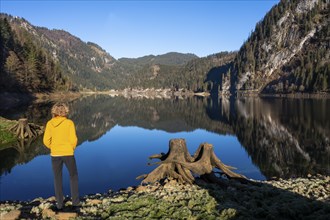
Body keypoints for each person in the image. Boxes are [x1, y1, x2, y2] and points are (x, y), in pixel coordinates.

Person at [43, 102, 80, 211]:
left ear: (54, 112)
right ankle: (75, 203)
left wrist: (53, 147)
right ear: (65, 111)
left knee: (57, 178)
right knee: (73, 176)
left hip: (55, 154)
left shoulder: (50, 123)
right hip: (68, 153)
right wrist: (71, 148)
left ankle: (59, 204)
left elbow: (45, 140)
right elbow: (74, 139)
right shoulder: (69, 123)